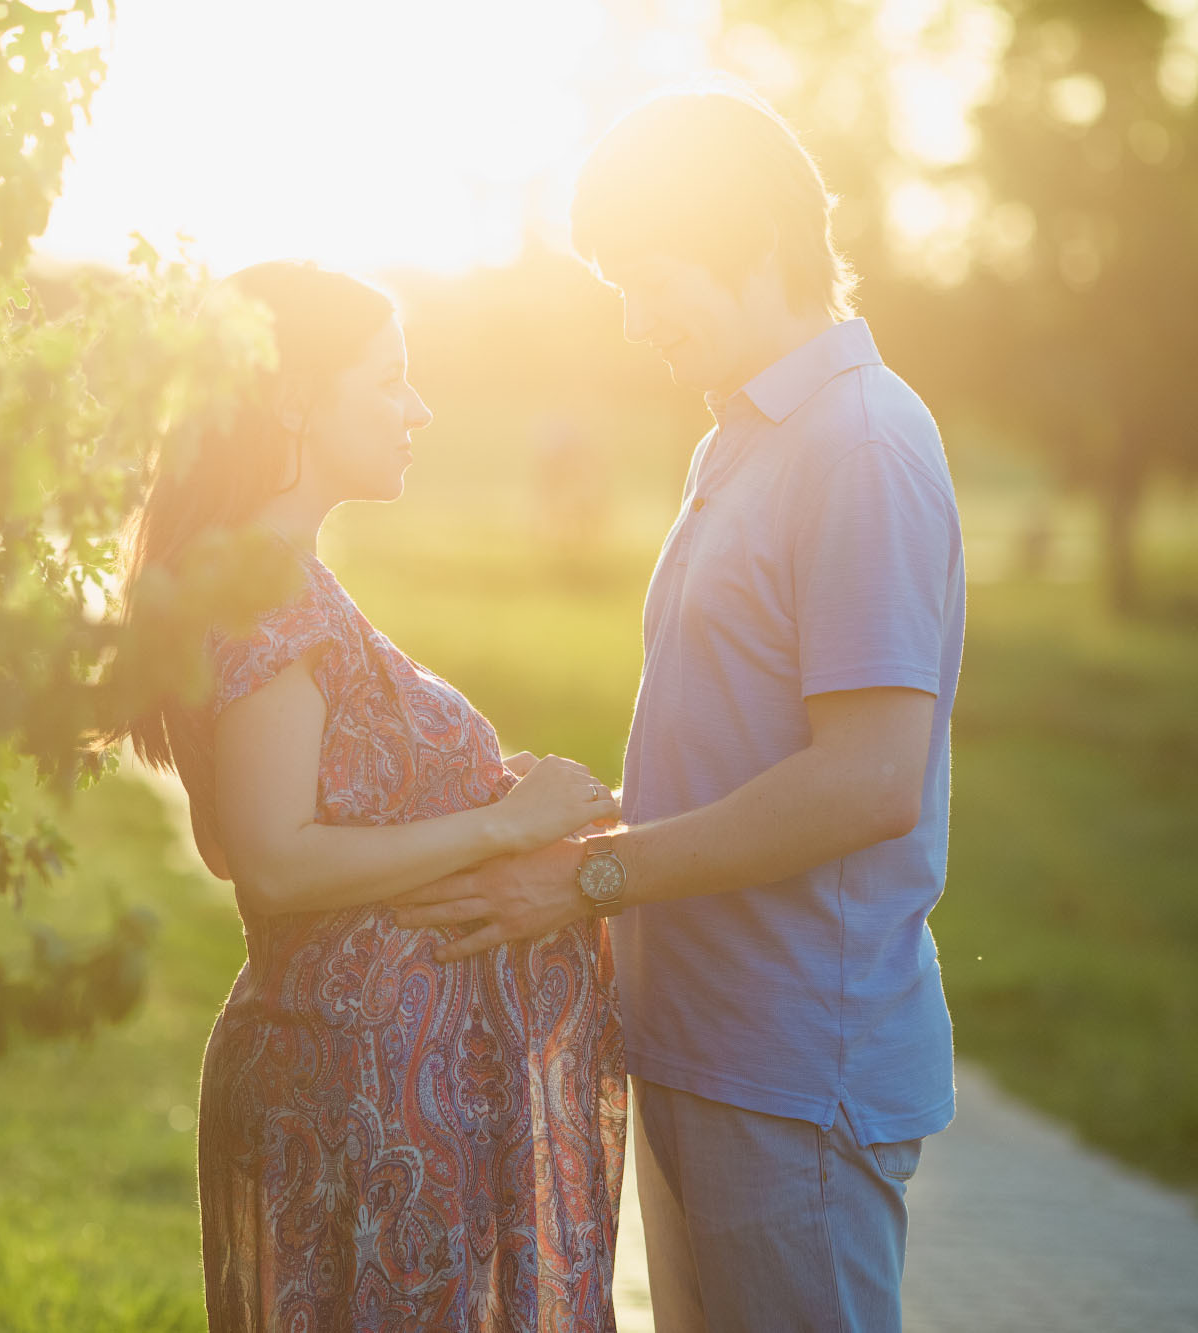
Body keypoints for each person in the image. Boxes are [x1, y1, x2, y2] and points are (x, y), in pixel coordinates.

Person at [395, 79, 967, 1333]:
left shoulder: (858, 444)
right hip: (697, 1042)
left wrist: (595, 877)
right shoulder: (738, 440)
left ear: (753, 243)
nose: (637, 320)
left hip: (789, 1072)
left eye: (652, 279)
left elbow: (867, 779)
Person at [116, 260, 627, 1331]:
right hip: (355, 1097)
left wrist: (481, 791)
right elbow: (269, 859)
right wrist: (498, 822)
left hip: (364, 1090)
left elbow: (253, 832)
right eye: (388, 379)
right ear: (295, 396)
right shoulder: (263, 584)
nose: (418, 408)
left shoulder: (270, 572)